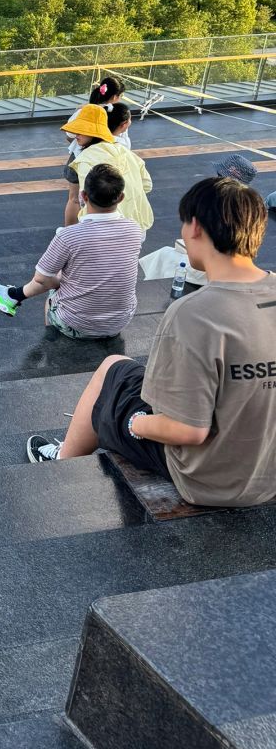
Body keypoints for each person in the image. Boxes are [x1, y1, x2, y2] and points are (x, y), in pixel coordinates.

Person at [27, 177, 276, 509]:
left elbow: (189, 431)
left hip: (212, 479)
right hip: (269, 470)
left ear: (196, 229)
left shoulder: (193, 314)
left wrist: (134, 424)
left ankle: (62, 459)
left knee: (114, 371)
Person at [0, 164, 144, 337]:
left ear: (83, 196)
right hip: (119, 322)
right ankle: (13, 295)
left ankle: (52, 343)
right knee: (74, 273)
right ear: (121, 198)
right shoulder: (135, 229)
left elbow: (40, 280)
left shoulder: (69, 236)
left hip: (78, 324)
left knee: (52, 292)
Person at [61, 105, 153, 235]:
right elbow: (147, 185)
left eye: (81, 130)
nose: (76, 134)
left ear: (94, 132)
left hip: (101, 229)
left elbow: (85, 198)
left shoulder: (86, 159)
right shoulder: (126, 152)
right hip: (135, 227)